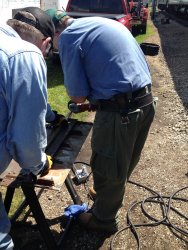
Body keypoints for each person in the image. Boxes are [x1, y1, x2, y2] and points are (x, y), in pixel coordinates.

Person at [46, 9, 156, 234]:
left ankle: (103, 221)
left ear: (56, 32)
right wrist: (97, 101)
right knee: (122, 161)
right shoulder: (101, 23)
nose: (54, 49)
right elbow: (114, 70)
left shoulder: (68, 36)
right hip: (145, 102)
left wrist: (87, 96)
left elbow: (77, 95)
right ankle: (109, 195)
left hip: (122, 112)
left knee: (107, 164)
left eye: (51, 44)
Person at [0, 7, 59, 249]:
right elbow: (26, 139)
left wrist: (52, 116)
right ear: (45, 44)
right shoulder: (26, 54)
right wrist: (39, 163)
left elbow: (32, 100)